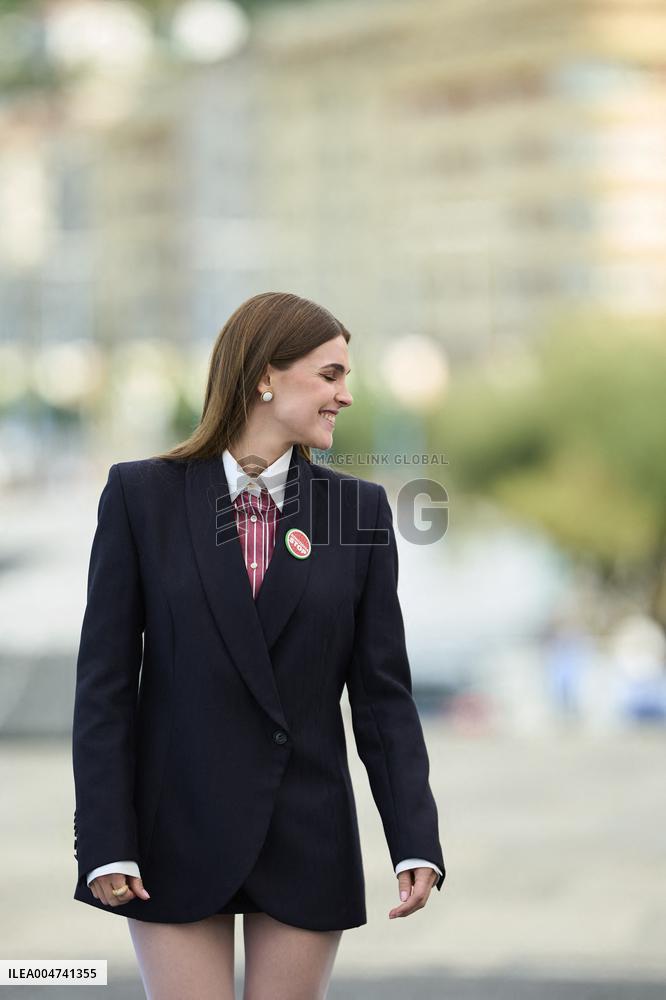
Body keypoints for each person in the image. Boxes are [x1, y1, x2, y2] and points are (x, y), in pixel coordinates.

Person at [72, 291, 446, 999]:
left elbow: (382, 699)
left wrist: (414, 837)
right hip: (172, 829)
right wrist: (103, 838)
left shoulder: (357, 513)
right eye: (331, 375)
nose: (347, 394)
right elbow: (106, 689)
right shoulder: (140, 497)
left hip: (306, 828)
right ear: (266, 376)